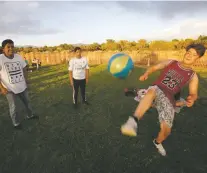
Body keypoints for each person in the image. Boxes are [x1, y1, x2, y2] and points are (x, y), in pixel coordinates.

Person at [121, 43, 206, 156]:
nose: (189, 55)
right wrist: (147, 73)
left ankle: (157, 142)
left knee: (166, 131)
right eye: (188, 52)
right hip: (158, 89)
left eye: (194, 55)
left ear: (198, 58)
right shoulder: (171, 62)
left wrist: (192, 98)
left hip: (169, 99)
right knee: (152, 91)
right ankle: (133, 121)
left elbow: (193, 93)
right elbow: (155, 67)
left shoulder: (192, 76)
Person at [0, 39, 38, 129]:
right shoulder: (0, 59)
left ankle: (30, 115)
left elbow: (24, 68)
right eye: (8, 47)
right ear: (3, 49)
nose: (11, 49)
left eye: (12, 46)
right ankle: (16, 123)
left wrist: (26, 81)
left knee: (27, 102)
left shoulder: (18, 57)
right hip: (9, 89)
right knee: (13, 107)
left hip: (22, 86)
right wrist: (2, 88)